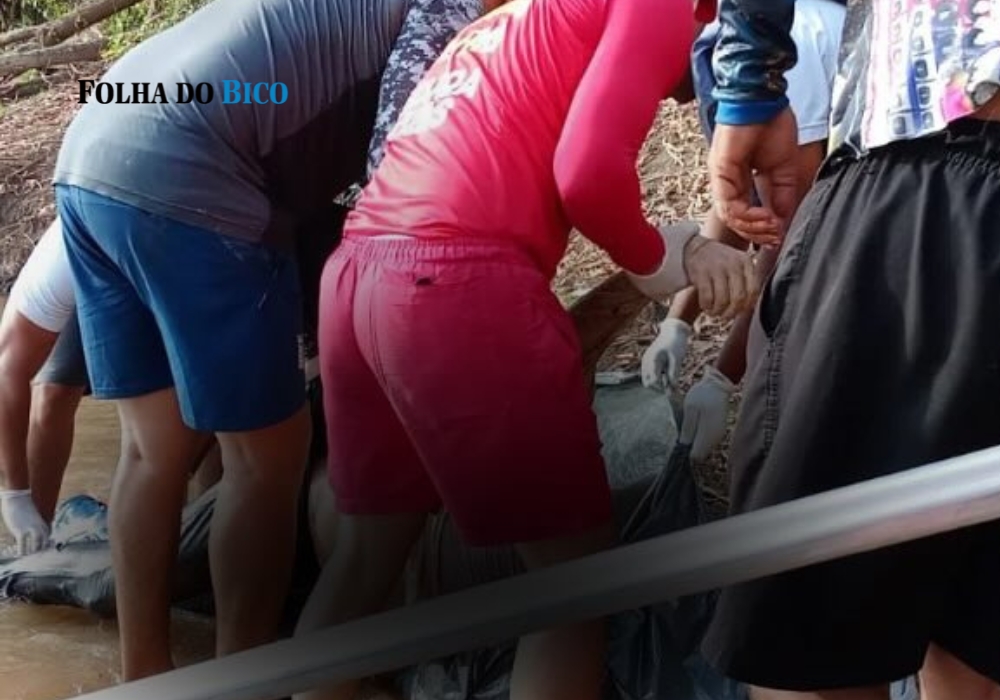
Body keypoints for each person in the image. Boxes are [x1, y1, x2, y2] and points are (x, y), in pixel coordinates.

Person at [293, 0, 761, 699]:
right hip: (457, 286)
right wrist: (663, 257)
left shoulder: (504, 22)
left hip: (360, 276)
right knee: (574, 587)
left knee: (366, 558)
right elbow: (587, 174)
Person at [52, 0, 505, 681]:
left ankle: (143, 679)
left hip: (93, 150)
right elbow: (396, 165)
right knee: (267, 462)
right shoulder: (448, 11)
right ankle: (245, 682)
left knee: (150, 449)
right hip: (193, 169)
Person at [700, 1, 1000, 700]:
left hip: (928, 149)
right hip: (935, 162)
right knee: (974, 638)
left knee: (806, 640)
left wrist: (747, 81)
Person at [640, 0, 846, 461]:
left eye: (649, 76)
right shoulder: (732, 47)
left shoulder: (783, 53)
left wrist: (721, 378)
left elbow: (791, 239)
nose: (661, 98)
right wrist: (677, 324)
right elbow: (740, 208)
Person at [0, 219, 88, 555]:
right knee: (54, 394)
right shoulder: (69, 244)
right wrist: (16, 496)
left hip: (187, 262)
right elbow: (8, 367)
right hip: (95, 257)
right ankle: (34, 544)